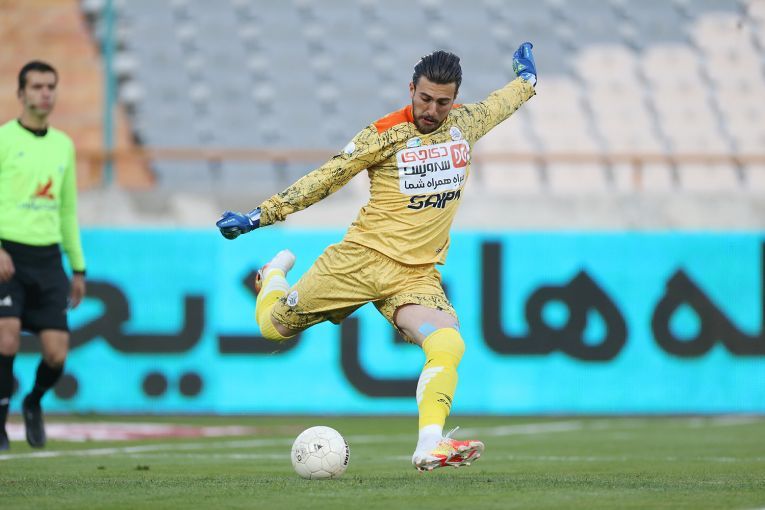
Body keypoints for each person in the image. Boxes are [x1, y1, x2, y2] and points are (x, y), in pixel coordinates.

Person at [217, 43, 537, 471]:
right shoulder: (384, 134)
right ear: (411, 89)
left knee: (448, 343)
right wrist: (261, 216)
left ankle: (429, 444)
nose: (432, 110)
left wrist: (526, 81)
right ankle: (274, 273)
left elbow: (502, 103)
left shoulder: (466, 124)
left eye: (442, 102)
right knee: (274, 328)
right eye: (425, 98)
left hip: (415, 277)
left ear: (454, 100)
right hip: (358, 263)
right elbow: (327, 177)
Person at [0, 61, 87, 450]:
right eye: (37, 86)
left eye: (50, 86)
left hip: (49, 259)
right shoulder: (4, 139)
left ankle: (33, 401)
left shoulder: (63, 145)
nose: (45, 93)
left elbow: (67, 211)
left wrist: (78, 268)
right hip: (8, 255)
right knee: (6, 338)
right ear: (21, 94)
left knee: (56, 354)